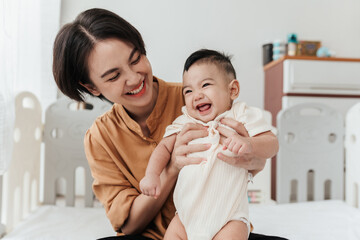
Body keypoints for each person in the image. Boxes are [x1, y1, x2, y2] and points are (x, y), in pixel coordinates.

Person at [52, 8, 286, 240]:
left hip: (220, 227)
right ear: (92, 87)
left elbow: (256, 157)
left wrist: (250, 152)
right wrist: (171, 168)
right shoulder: (101, 136)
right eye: (114, 76)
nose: (134, 78)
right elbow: (129, 224)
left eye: (136, 59)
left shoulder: (200, 100)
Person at [139, 49, 278, 240]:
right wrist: (152, 175)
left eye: (205, 85)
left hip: (230, 219)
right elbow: (163, 147)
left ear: (232, 90)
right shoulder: (185, 121)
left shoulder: (241, 114)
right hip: (185, 218)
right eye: (188, 91)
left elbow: (272, 143)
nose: (196, 95)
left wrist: (249, 143)